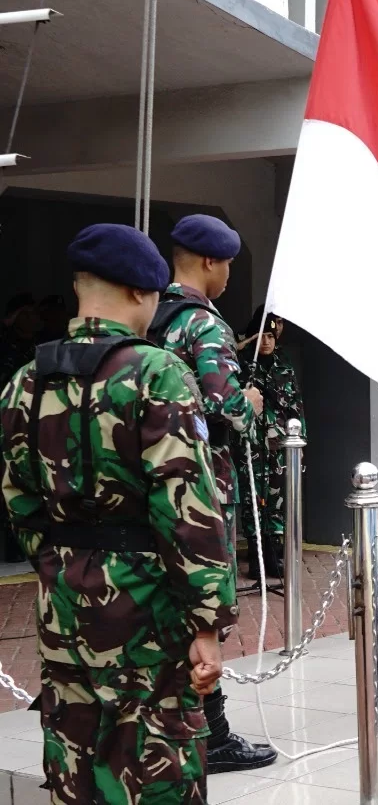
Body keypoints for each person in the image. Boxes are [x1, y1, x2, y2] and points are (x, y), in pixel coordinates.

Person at [0, 224, 236, 803]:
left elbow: (18, 497)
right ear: (139, 292)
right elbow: (187, 507)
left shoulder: (26, 381)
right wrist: (208, 622)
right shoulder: (156, 372)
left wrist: (61, 561)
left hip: (62, 603)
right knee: (157, 764)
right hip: (147, 609)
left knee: (74, 761)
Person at [148, 215, 275, 770]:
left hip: (153, 479)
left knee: (166, 597)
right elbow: (225, 405)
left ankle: (172, 722)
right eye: (227, 265)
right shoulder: (203, 324)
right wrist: (251, 402)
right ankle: (213, 734)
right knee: (205, 601)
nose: (228, 275)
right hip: (202, 481)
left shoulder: (150, 314)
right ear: (209, 262)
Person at [237, 307, 304, 583]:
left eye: (270, 336)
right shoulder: (242, 366)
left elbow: (296, 408)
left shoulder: (284, 366)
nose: (265, 342)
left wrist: (299, 445)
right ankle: (256, 558)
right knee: (252, 499)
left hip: (277, 448)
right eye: (260, 336)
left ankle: (274, 556)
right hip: (250, 446)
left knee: (276, 501)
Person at [0, 294, 41, 385]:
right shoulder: (5, 347)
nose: (30, 317)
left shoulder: (41, 344)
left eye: (33, 313)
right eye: (25, 313)